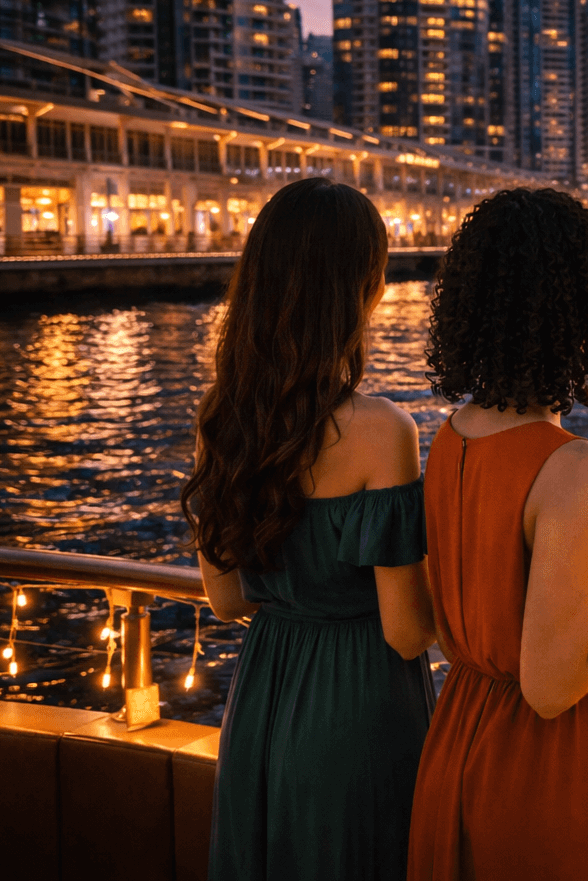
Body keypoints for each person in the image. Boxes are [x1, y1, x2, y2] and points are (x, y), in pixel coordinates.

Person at [408, 188, 588, 880]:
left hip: (458, 736)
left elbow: (467, 617)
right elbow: (549, 687)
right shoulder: (576, 469)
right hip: (545, 770)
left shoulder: (449, 440)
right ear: (587, 309)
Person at [185, 178, 438, 881]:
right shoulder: (383, 432)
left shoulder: (222, 422)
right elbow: (406, 630)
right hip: (360, 708)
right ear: (358, 289)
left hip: (263, 696)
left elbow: (228, 602)